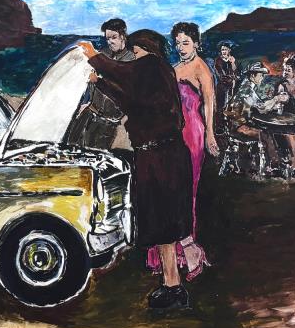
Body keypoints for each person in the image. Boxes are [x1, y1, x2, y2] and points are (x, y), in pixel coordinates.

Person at [79, 32, 194, 309]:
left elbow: (124, 72)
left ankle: (173, 287)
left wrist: (94, 56)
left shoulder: (152, 65)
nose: (134, 58)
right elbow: (130, 99)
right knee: (164, 224)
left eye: (137, 52)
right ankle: (172, 284)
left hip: (160, 157)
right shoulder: (158, 74)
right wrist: (100, 83)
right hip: (163, 154)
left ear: (146, 49)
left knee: (163, 223)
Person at [147, 22, 218, 281]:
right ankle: (172, 252)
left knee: (187, 191)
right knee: (169, 190)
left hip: (193, 134)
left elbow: (209, 103)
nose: (180, 47)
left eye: (185, 42)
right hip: (172, 134)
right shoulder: (174, 68)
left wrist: (210, 134)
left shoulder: (201, 68)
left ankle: (185, 251)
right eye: (177, 43)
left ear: (196, 43)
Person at [67, 18, 135, 149]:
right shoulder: (103, 54)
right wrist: (86, 102)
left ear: (123, 36)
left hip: (108, 121)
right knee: (71, 148)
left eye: (114, 37)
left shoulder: (131, 60)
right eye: (108, 38)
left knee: (96, 154)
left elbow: (123, 88)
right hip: (89, 112)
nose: (110, 42)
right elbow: (90, 82)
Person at [226, 60, 287, 171]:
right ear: (252, 76)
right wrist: (276, 99)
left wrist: (273, 102)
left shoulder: (248, 87)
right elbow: (262, 109)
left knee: (266, 131)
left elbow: (259, 105)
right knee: (265, 134)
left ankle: (272, 163)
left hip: (241, 123)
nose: (262, 78)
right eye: (260, 75)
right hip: (238, 127)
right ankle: (274, 165)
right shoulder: (247, 90)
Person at [213, 40, 237, 134]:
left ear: (229, 50)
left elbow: (235, 71)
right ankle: (220, 127)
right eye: (222, 50)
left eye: (225, 49)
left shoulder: (232, 59)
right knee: (220, 107)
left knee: (230, 106)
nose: (223, 51)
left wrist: (233, 63)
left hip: (231, 86)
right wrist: (231, 78)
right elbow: (221, 75)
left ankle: (229, 126)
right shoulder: (218, 60)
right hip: (222, 87)